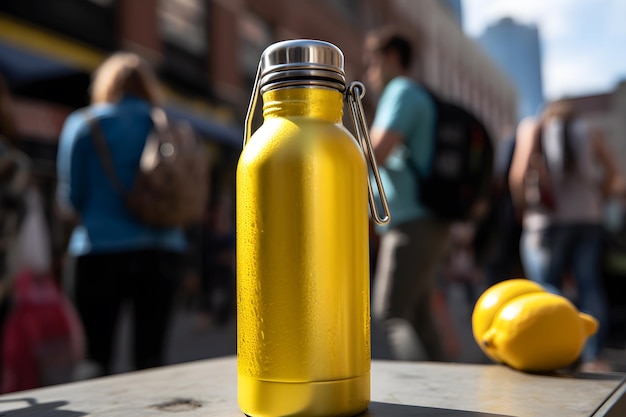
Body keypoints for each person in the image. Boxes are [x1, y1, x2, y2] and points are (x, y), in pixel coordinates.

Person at [56, 52, 187, 376]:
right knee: (151, 360)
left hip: (100, 250)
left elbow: (71, 197)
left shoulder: (84, 124)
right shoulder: (167, 124)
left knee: (97, 357)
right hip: (162, 249)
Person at [509, 100, 624, 372]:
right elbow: (616, 175)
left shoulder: (534, 126)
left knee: (547, 288)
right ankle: (593, 357)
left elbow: (519, 173)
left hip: (546, 220)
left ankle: (553, 353)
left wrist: (521, 209)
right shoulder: (589, 131)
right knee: (589, 286)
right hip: (588, 219)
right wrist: (599, 196)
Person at [363, 27, 450, 361]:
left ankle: (416, 400)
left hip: (411, 224)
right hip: (425, 221)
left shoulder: (400, 91)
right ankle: (444, 401)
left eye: (372, 64)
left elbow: (376, 153)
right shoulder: (419, 93)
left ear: (391, 58)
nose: (370, 74)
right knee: (420, 317)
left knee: (390, 314)